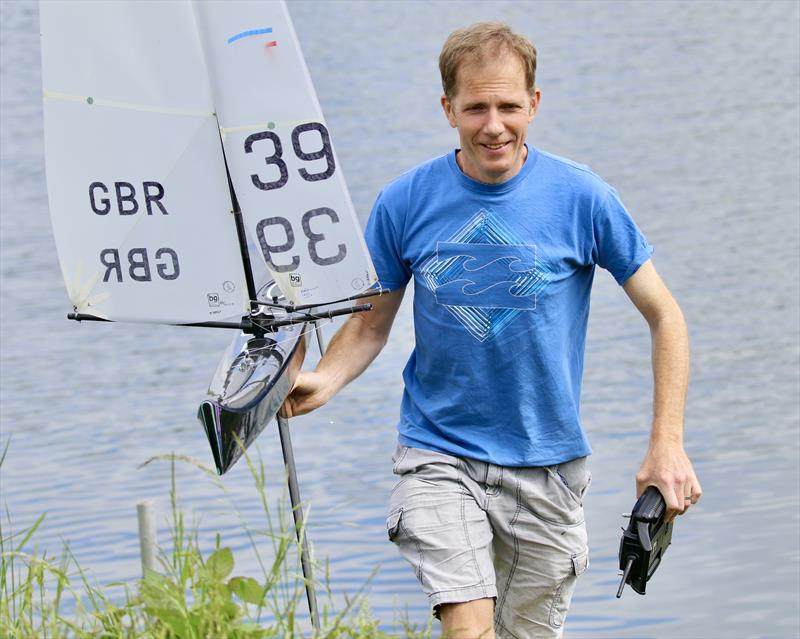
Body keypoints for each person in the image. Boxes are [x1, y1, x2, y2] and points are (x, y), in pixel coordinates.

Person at [282, 21, 701, 639]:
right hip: (439, 452)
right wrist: (324, 380)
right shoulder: (404, 203)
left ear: (534, 103)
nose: (494, 124)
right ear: (447, 108)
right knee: (469, 624)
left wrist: (666, 442)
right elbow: (371, 327)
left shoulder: (582, 198)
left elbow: (666, 316)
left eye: (509, 105)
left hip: (549, 469)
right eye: (475, 107)